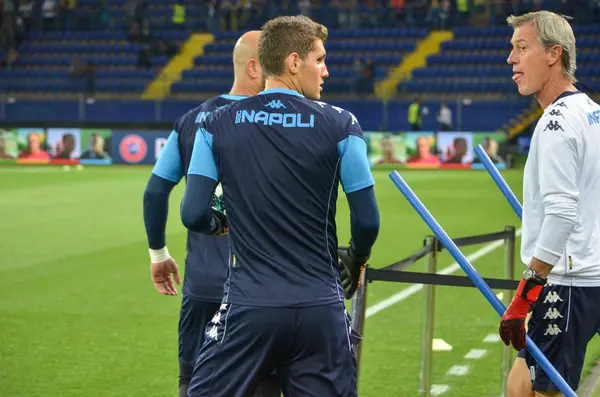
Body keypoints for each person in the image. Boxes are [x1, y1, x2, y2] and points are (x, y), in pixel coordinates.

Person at [179, 15, 380, 397]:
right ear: (293, 62)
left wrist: (219, 224)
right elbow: (367, 221)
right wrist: (356, 258)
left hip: (247, 305)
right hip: (320, 306)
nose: (326, 71)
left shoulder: (215, 123)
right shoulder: (342, 124)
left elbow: (192, 214)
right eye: (319, 60)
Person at [142, 30, 281, 397]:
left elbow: (156, 190)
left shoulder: (192, 120)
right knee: (264, 384)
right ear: (255, 68)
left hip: (204, 284)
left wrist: (159, 255)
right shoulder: (285, 121)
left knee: (194, 381)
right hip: (264, 286)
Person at [502, 11, 600, 396]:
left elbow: (561, 215)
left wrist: (525, 294)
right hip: (585, 274)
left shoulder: (556, 124)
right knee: (520, 384)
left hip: (567, 281)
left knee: (545, 391)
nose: (511, 59)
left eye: (521, 48)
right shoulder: (591, 112)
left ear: (553, 54)